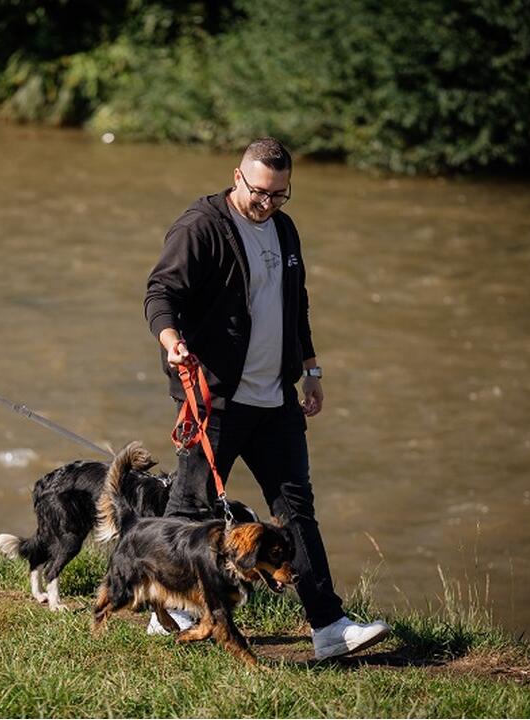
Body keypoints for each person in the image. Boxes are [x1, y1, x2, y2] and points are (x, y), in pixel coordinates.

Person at [143, 137, 389, 659]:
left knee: (298, 510)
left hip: (275, 399)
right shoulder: (200, 228)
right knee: (190, 508)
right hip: (214, 399)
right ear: (237, 177)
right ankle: (172, 612)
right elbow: (160, 293)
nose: (268, 204)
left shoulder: (282, 227)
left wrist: (311, 368)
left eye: (280, 195)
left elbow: (295, 302)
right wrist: (172, 343)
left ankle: (329, 626)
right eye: (260, 193)